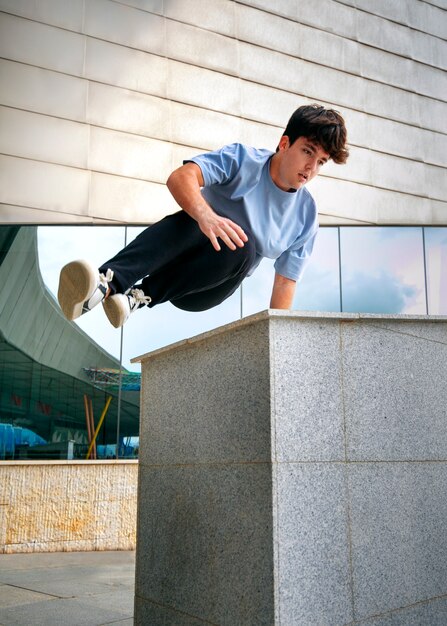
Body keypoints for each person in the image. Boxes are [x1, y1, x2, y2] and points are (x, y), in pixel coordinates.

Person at [57, 103, 348, 328]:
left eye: (320, 162)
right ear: (284, 144)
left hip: (206, 285)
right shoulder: (242, 160)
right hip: (176, 251)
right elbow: (181, 177)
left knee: (243, 246)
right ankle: (106, 284)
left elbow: (285, 282)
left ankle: (139, 296)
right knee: (196, 218)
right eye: (307, 152)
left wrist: (277, 339)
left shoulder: (306, 216)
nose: (311, 168)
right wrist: (206, 216)